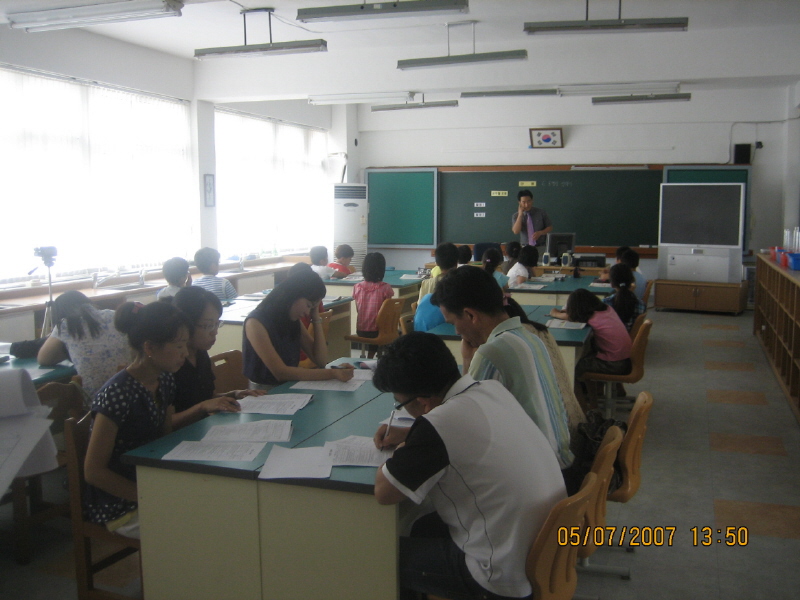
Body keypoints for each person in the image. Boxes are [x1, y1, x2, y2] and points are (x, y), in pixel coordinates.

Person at [371, 332, 566, 600]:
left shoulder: (439, 425)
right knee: (422, 527)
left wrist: (408, 444)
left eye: (401, 404)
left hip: (500, 574)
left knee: (382, 555)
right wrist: (412, 436)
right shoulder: (490, 389)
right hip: (546, 551)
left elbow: (384, 492)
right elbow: (466, 436)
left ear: (423, 401)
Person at [430, 266, 574, 472]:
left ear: (470, 315)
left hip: (540, 474)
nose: (456, 331)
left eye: (453, 322)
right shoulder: (529, 337)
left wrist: (468, 360)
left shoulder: (492, 353)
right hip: (560, 460)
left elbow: (461, 420)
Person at [84, 301, 192, 538]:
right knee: (195, 524)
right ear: (150, 347)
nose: (185, 352)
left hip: (150, 482)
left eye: (186, 344)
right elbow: (93, 471)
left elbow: (164, 440)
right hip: (120, 502)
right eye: (178, 345)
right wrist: (146, 495)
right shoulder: (116, 393)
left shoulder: (165, 380)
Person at [169, 287, 264, 429]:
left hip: (205, 429)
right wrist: (201, 407)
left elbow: (207, 397)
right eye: (207, 325)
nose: (215, 332)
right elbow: (164, 425)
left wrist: (234, 394)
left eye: (216, 324)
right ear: (185, 325)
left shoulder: (201, 353)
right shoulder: (169, 363)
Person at [243, 269, 354, 390]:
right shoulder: (255, 322)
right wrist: (332, 373)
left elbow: (320, 360)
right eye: (308, 305)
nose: (307, 312)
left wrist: (315, 317)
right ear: (293, 295)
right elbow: (280, 373)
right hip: (264, 391)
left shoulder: (291, 320)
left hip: (290, 386)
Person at [37, 291, 131, 398]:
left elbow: (43, 359)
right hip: (129, 393)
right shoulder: (113, 315)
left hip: (94, 401)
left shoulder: (66, 325)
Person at [550, 288, 632, 381]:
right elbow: (578, 315)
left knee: (572, 367)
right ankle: (592, 390)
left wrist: (555, 314)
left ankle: (575, 390)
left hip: (613, 364)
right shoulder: (607, 309)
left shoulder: (593, 318)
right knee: (586, 353)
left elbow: (572, 317)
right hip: (624, 359)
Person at [352, 252, 394, 358]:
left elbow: (358, 309)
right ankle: (373, 356)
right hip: (379, 330)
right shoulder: (386, 288)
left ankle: (369, 357)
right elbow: (387, 312)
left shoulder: (357, 287)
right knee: (383, 325)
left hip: (361, 329)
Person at [603, 263, 646, 332]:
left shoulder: (606, 303)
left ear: (612, 284)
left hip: (610, 337)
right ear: (632, 281)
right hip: (630, 337)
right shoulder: (642, 305)